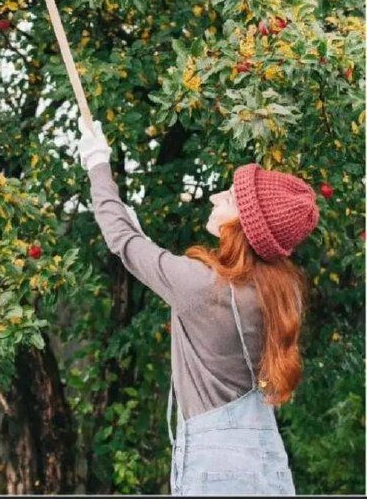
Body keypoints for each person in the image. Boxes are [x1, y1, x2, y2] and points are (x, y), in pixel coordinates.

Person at [76, 117, 320, 496]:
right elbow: (144, 250)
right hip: (267, 467)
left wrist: (97, 164)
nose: (214, 198)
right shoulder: (281, 294)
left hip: (214, 472)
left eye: (228, 197)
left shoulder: (200, 286)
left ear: (245, 223)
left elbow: (121, 241)